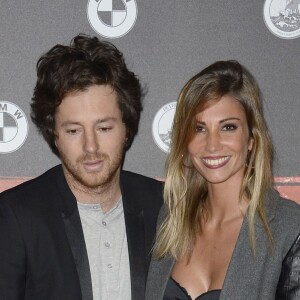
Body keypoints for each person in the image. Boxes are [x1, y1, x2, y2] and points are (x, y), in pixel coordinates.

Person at [0, 34, 163, 300]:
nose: (91, 146)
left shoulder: (165, 207)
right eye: (74, 130)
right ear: (54, 134)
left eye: (104, 128)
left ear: (127, 127)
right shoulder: (16, 218)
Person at [145, 60, 300, 300]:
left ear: (251, 139)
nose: (212, 145)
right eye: (199, 128)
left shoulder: (288, 228)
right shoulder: (170, 219)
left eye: (228, 127)